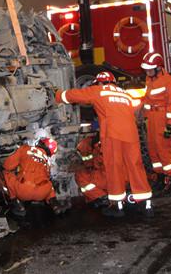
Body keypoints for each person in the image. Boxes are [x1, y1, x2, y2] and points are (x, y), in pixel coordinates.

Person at [55, 71, 153, 218]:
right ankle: (146, 205)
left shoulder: (99, 91)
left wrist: (57, 95)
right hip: (131, 134)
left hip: (113, 134)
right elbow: (136, 108)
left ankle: (117, 206)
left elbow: (75, 95)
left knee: (114, 167)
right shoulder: (125, 94)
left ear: (100, 83)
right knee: (135, 166)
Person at [141, 52, 171, 193]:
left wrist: (169, 124)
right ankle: (159, 175)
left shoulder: (169, 81)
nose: (147, 71)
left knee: (164, 148)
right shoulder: (149, 79)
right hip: (151, 118)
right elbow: (146, 98)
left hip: (162, 118)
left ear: (158, 68)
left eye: (149, 69)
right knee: (152, 148)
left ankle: (170, 177)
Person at [0, 137, 65, 216]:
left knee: (5, 172)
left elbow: (8, 166)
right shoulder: (47, 162)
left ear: (40, 143)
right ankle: (54, 204)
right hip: (42, 194)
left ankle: (16, 202)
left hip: (24, 190)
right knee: (48, 183)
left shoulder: (25, 149)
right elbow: (47, 175)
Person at [75, 134, 108, 208]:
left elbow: (97, 163)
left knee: (80, 176)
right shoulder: (106, 143)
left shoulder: (99, 148)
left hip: (107, 178)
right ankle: (104, 195)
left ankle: (102, 197)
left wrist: (82, 167)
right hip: (122, 179)